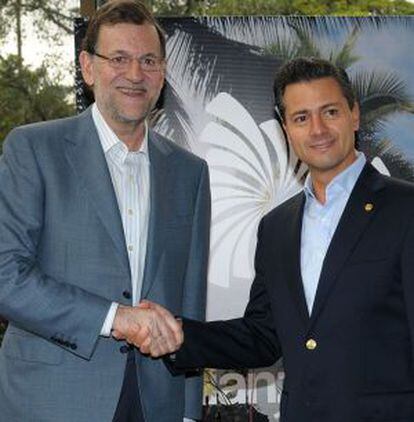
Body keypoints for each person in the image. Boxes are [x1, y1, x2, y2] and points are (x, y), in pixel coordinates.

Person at [141, 57, 414, 422]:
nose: (317, 129)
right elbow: (262, 336)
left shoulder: (405, 209)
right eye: (301, 117)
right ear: (286, 128)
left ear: (354, 115)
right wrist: (178, 337)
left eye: (329, 112)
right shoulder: (276, 227)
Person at [0, 1, 210, 421]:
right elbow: (6, 276)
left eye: (148, 60)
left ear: (163, 72)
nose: (135, 75)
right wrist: (115, 318)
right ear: (88, 67)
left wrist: (187, 410)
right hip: (53, 400)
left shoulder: (190, 172)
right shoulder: (33, 150)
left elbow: (189, 303)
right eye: (119, 58)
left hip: (156, 403)